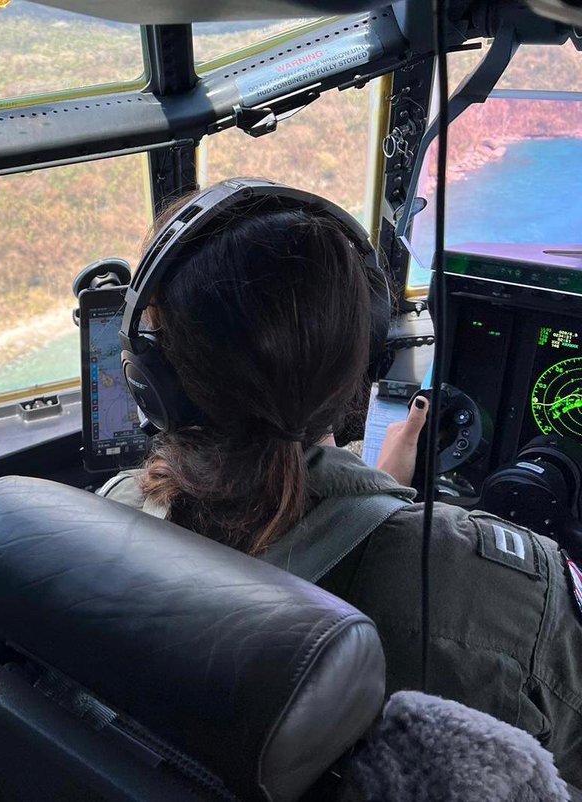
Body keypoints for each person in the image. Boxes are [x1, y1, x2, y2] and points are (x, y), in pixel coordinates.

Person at [99, 181, 582, 784]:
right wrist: (397, 517)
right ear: (367, 354)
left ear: (151, 379)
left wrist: (374, 497)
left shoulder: (103, 521)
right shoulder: (509, 592)